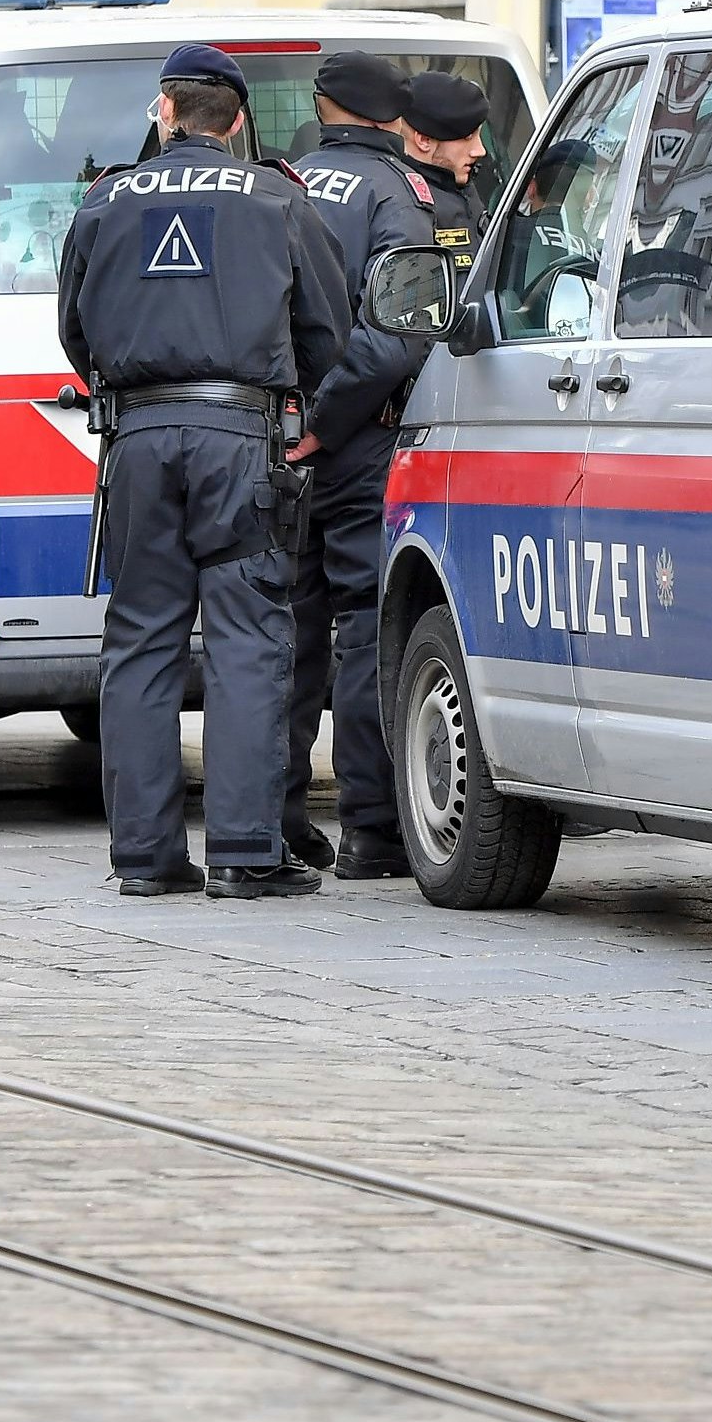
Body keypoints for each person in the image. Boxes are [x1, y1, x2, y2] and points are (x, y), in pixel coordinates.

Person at [56, 45, 346, 900]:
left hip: (138, 438)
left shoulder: (105, 201)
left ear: (166, 111)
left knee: (141, 636)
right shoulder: (278, 199)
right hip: (241, 438)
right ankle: (245, 852)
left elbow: (73, 328)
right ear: (238, 120)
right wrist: (282, 399)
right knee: (248, 636)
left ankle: (145, 857)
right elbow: (328, 331)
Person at [284, 51, 440, 880]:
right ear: (389, 118)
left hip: (274, 444)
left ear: (323, 108)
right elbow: (400, 331)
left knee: (282, 633)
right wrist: (326, 423)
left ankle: (271, 822)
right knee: (364, 631)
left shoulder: (281, 183)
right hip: (354, 441)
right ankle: (372, 830)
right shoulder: (394, 193)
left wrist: (290, 421)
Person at [400, 68, 494, 283]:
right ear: (424, 140)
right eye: (467, 137)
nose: (480, 150)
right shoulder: (403, 203)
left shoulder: (462, 186)